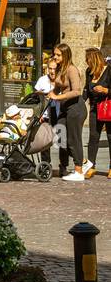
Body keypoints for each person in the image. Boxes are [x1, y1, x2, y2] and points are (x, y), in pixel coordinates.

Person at [50, 42, 90, 181]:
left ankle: (79, 171)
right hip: (65, 108)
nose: (55, 57)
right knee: (60, 136)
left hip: (76, 108)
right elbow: (56, 89)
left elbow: (76, 91)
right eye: (54, 54)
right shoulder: (60, 69)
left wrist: (57, 97)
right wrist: (46, 93)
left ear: (65, 55)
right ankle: (68, 165)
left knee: (74, 138)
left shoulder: (72, 69)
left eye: (58, 55)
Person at [86, 48, 111, 177]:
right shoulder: (89, 72)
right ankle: (91, 166)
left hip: (108, 108)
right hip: (95, 109)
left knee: (110, 137)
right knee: (93, 137)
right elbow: (86, 90)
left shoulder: (109, 70)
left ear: (94, 60)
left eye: (88, 60)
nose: (86, 62)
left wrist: (105, 90)